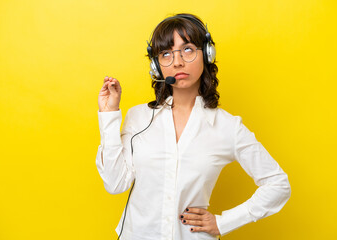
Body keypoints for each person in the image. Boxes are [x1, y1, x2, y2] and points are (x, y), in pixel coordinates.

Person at [96, 13, 291, 240]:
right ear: (156, 65)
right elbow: (114, 183)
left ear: (207, 54)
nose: (177, 61)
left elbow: (278, 184)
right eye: (166, 54)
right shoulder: (138, 117)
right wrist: (109, 115)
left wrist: (223, 222)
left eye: (187, 49)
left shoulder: (228, 127)